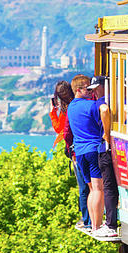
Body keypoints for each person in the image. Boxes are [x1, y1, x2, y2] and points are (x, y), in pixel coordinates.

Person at [66, 74, 115, 238]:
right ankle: (98, 225)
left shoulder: (71, 107)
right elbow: (104, 109)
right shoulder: (91, 105)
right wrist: (106, 133)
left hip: (79, 152)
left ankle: (92, 224)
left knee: (91, 189)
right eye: (87, 88)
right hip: (94, 149)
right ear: (79, 90)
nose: (90, 91)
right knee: (99, 189)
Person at [50, 81, 89, 231]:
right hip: (90, 147)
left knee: (83, 187)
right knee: (94, 185)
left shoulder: (67, 110)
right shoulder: (82, 103)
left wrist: (53, 112)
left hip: (76, 152)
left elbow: (60, 129)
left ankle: (87, 218)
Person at [87, 75, 119, 237]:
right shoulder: (117, 98)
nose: (95, 93)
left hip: (104, 148)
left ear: (103, 87)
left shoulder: (102, 101)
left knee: (108, 187)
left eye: (96, 89)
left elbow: (105, 110)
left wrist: (107, 134)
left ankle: (110, 224)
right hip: (114, 147)